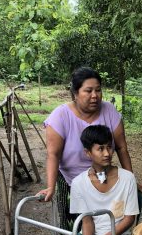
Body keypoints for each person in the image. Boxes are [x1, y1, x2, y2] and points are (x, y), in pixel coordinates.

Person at [51, 124, 139, 235]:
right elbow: (87, 220)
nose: (107, 153)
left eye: (109, 147)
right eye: (100, 148)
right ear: (88, 153)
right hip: (88, 234)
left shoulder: (127, 178)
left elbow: (129, 219)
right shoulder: (79, 183)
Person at [38, 66, 133, 202]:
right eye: (88, 91)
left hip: (103, 176)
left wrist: (130, 179)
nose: (95, 95)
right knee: (73, 221)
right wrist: (51, 187)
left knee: (107, 218)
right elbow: (53, 154)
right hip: (70, 180)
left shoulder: (109, 111)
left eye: (98, 90)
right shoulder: (60, 116)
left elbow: (121, 148)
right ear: (76, 93)